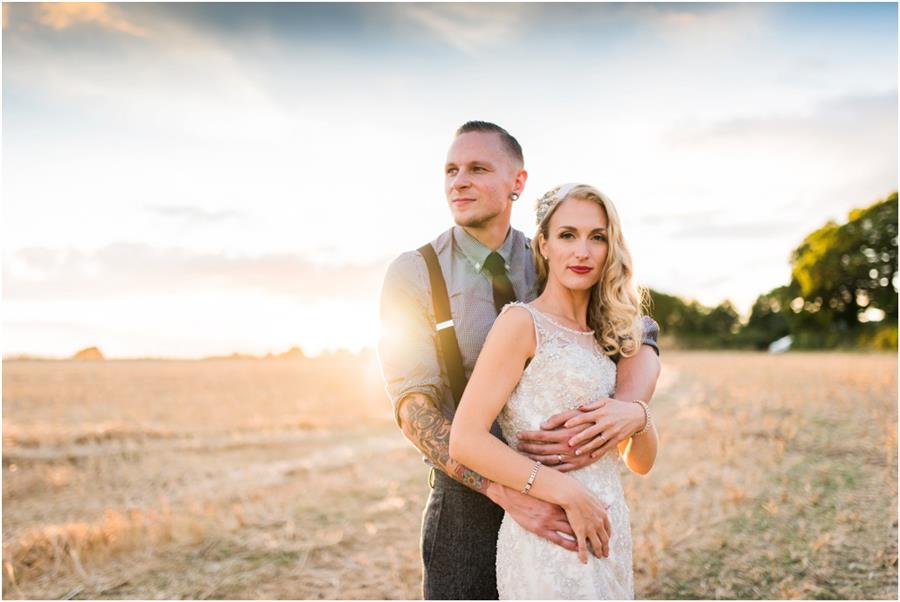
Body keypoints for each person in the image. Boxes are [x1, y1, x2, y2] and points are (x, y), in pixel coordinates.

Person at [378, 121, 661, 600]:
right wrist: (508, 491)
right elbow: (412, 405)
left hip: (573, 495)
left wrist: (630, 412)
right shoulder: (415, 272)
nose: (458, 181)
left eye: (477, 168)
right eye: (450, 170)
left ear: (518, 183)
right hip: (466, 499)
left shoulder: (554, 255)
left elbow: (639, 331)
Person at [450, 183, 659, 599]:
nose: (582, 251)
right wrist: (565, 492)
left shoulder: (609, 339)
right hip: (550, 532)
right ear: (543, 245)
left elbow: (641, 463)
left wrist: (638, 415)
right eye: (567, 235)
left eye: (597, 237)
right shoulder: (521, 324)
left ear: (610, 248)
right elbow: (465, 440)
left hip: (608, 531)